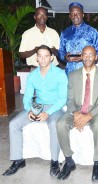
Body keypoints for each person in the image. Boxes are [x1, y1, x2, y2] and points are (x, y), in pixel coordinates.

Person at [2, 45, 68, 177]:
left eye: (46, 56)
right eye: (40, 56)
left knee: (53, 124)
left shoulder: (60, 74)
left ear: (52, 58)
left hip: (55, 106)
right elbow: (27, 97)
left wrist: (48, 113)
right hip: (37, 106)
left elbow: (62, 99)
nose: (43, 59)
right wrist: (29, 110)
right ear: (36, 58)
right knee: (14, 124)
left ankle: (54, 161)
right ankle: (18, 160)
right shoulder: (32, 75)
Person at [56, 46, 98, 181]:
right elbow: (70, 100)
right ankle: (69, 160)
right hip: (78, 108)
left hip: (97, 109)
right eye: (84, 55)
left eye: (91, 55)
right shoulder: (73, 75)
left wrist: (88, 116)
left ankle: (97, 163)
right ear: (81, 57)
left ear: (96, 57)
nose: (87, 58)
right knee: (61, 123)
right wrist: (76, 114)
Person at [58, 2, 98, 76]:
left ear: (83, 14)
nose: (75, 16)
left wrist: (86, 57)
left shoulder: (92, 31)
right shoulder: (65, 33)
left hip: (87, 69)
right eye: (72, 13)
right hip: (70, 71)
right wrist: (65, 58)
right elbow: (61, 51)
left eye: (78, 13)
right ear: (69, 16)